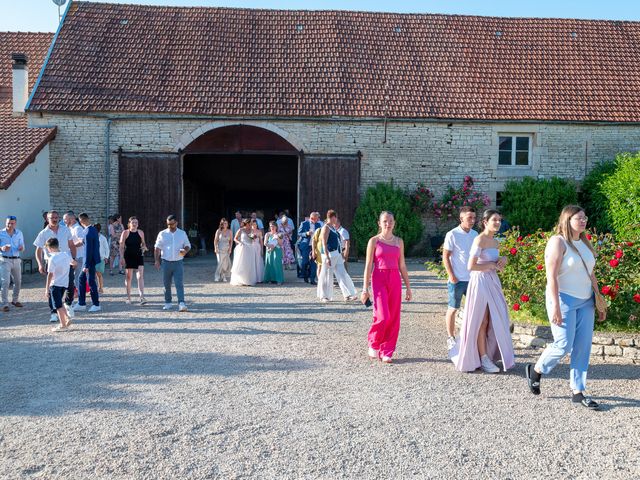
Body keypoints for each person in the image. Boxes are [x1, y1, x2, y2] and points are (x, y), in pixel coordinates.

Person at [526, 206, 604, 410]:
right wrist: (555, 307)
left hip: (586, 300)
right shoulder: (557, 242)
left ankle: (578, 391)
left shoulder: (585, 242)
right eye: (579, 218)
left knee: (583, 347)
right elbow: (551, 276)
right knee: (563, 345)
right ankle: (537, 370)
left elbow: (591, 273)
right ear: (567, 220)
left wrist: (599, 297)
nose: (583, 221)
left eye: (585, 217)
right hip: (563, 299)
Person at [450, 209, 514, 373]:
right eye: (494, 220)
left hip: (492, 281)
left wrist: (503, 259)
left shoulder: (495, 241)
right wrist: (491, 265)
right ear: (485, 222)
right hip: (480, 281)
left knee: (496, 318)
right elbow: (471, 266)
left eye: (499, 220)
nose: (498, 223)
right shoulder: (479, 240)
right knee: (482, 320)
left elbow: (493, 260)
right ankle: (483, 358)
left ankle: (488, 355)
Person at [361, 211, 413, 363]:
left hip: (395, 279)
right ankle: (374, 343)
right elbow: (368, 265)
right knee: (383, 316)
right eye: (384, 221)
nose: (388, 224)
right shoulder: (374, 241)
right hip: (379, 278)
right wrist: (365, 289)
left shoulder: (399, 242)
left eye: (390, 221)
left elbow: (402, 265)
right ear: (379, 223)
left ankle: (387, 351)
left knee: (394, 317)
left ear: (394, 223)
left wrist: (408, 287)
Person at [442, 206, 478, 350]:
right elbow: (445, 256)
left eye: (474, 218)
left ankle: (470, 337)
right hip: (457, 280)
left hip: (473, 279)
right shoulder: (452, 234)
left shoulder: (475, 234)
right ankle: (451, 337)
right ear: (461, 218)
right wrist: (452, 276)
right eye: (469, 218)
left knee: (474, 309)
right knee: (453, 308)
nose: (472, 220)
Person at [34, 210, 77, 322]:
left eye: (56, 217)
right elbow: (38, 250)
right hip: (52, 262)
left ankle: (68, 304)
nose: (54, 219)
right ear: (47, 219)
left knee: (70, 284)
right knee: (53, 287)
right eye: (52, 217)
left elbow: (71, 245)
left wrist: (74, 259)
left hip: (66, 261)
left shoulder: (65, 230)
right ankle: (53, 312)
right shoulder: (43, 233)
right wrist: (40, 264)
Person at [317, 210, 358, 303]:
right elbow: (324, 243)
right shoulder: (326, 228)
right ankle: (324, 296)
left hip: (337, 254)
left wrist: (341, 253)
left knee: (342, 273)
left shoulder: (333, 228)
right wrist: (327, 257)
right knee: (327, 274)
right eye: (336, 218)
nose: (337, 220)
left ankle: (348, 294)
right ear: (333, 217)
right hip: (329, 254)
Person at [154, 215, 190, 312]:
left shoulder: (182, 234)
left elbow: (187, 245)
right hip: (166, 262)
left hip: (178, 262)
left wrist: (185, 251)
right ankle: (168, 302)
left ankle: (181, 303)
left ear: (176, 223)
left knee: (179, 283)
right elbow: (157, 248)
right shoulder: (162, 234)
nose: (170, 226)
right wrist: (157, 260)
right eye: (168, 224)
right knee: (166, 284)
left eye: (172, 224)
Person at [44, 237, 77, 332]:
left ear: (49, 248)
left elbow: (50, 274)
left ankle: (63, 324)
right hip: (64, 283)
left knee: (57, 305)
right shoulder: (66, 255)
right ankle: (67, 318)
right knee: (60, 302)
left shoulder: (52, 258)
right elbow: (74, 263)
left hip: (55, 284)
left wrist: (46, 288)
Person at [73, 212, 101, 312]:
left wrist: (86, 265)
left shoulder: (87, 232)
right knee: (82, 279)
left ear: (81, 221)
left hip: (89, 261)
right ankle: (81, 303)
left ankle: (96, 304)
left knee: (91, 281)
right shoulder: (92, 230)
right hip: (91, 260)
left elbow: (88, 249)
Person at [120, 216, 148, 305]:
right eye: (133, 222)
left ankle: (142, 297)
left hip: (139, 255)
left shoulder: (141, 232)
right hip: (128, 256)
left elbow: (143, 243)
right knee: (129, 277)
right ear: (129, 224)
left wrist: (144, 247)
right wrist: (121, 257)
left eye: (136, 222)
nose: (135, 224)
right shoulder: (125, 233)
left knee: (140, 276)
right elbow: (121, 246)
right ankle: (128, 297)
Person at [0, 215, 25, 311]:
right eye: (8, 223)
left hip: (16, 259)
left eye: (12, 223)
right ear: (5, 223)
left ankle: (15, 300)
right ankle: (5, 304)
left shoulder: (19, 233)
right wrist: (2, 248)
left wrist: (21, 248)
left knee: (18, 281)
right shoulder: (0, 233)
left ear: (15, 223)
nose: (10, 225)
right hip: (5, 260)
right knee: (5, 282)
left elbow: (22, 246)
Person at [230, 219, 259, 286]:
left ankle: (248, 280)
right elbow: (235, 238)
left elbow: (252, 239)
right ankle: (241, 280)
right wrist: (240, 242)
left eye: (251, 224)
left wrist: (254, 237)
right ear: (246, 224)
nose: (251, 225)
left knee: (249, 264)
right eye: (249, 224)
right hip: (243, 248)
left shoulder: (251, 230)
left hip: (250, 248)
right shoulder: (241, 230)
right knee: (242, 264)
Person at [63, 211, 85, 300]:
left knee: (77, 277)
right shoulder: (69, 228)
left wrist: (71, 245)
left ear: (71, 219)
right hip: (70, 256)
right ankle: (75, 293)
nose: (64, 221)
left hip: (78, 256)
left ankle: (80, 297)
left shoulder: (77, 229)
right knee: (71, 277)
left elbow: (81, 241)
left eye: (65, 219)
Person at [297, 212, 322, 284]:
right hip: (305, 245)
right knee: (304, 262)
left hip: (315, 246)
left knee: (314, 262)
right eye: (317, 218)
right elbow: (299, 233)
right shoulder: (304, 223)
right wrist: (306, 233)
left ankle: (312, 279)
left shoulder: (318, 224)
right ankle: (305, 276)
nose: (318, 220)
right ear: (312, 218)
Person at [95, 223, 109, 294]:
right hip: (92, 258)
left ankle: (100, 288)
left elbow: (106, 248)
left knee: (99, 274)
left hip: (100, 258)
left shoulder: (103, 238)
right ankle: (93, 288)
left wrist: (106, 257)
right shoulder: (91, 237)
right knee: (92, 275)